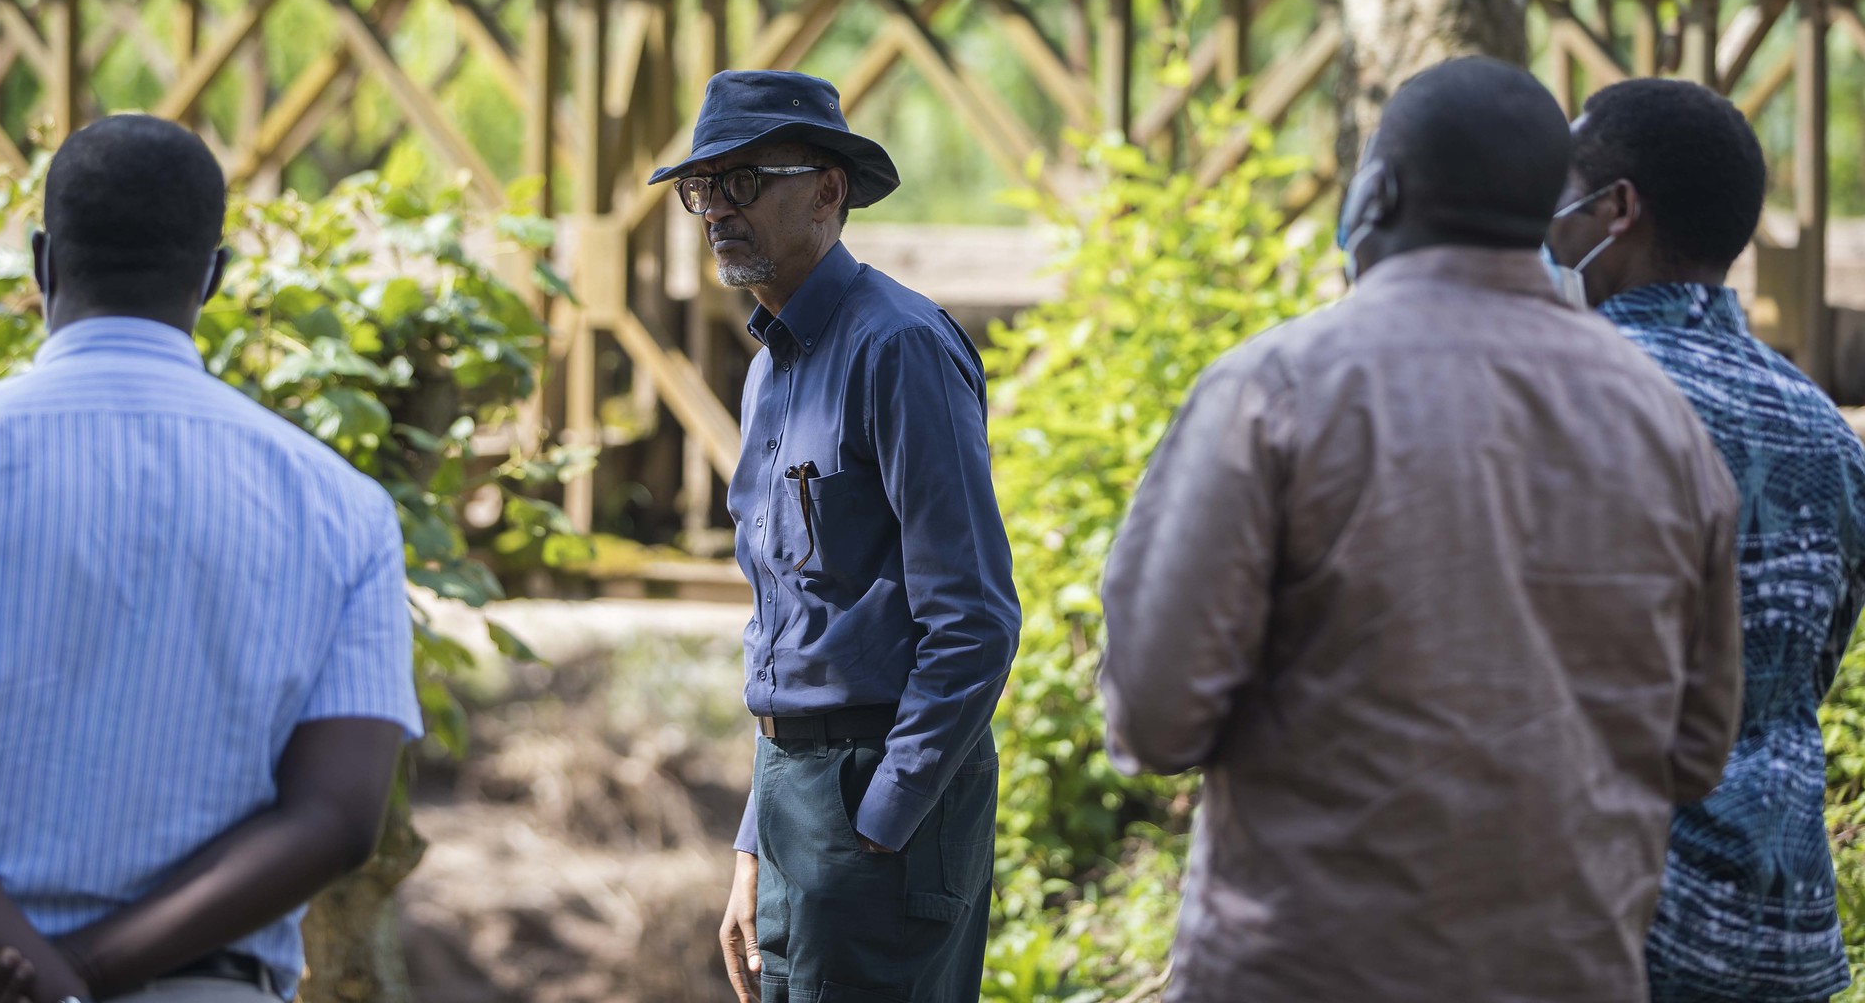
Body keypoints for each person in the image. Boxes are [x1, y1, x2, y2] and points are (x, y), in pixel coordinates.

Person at [1100, 57, 1745, 1003]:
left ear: (1381, 189)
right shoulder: (1662, 422)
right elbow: (1697, 752)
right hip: (1569, 971)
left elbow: (1157, 715)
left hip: (1308, 971)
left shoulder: (1275, 391)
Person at [0, 115, 422, 1003]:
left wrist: (45, 984)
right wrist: (82, 978)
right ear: (215, 276)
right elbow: (334, 820)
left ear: (42, 263)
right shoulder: (344, 507)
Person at [660, 71, 1019, 1003]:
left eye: (745, 182)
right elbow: (791, 627)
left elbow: (975, 622)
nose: (716, 211)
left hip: (878, 793)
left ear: (828, 191)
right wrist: (755, 844)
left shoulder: (897, 348)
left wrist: (879, 824)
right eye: (704, 188)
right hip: (794, 791)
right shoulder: (771, 365)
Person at [1548, 77, 1865, 1003]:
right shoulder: (1818, 426)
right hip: (1782, 923)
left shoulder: (1565, 392)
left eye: (1560, 191)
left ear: (1617, 208)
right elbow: (1815, 661)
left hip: (1617, 918)